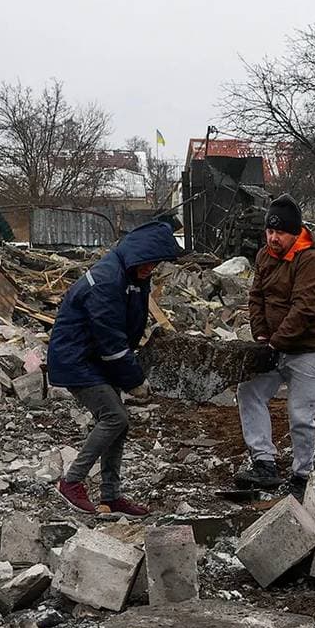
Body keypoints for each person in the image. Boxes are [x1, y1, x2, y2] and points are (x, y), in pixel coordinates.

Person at [45, 218, 184, 517]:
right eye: (150, 263)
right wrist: (135, 379)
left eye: (155, 264)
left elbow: (124, 328)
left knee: (117, 424)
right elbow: (110, 338)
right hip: (78, 359)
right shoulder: (108, 281)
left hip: (93, 359)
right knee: (114, 418)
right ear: (138, 256)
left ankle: (111, 495)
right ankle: (71, 482)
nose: (152, 269)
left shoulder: (132, 275)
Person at [235, 195, 315, 498]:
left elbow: (303, 310)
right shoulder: (265, 256)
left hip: (310, 348)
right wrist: (261, 337)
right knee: (249, 391)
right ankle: (264, 462)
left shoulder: (312, 260)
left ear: (295, 232)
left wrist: (275, 343)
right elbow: (256, 297)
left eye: (279, 233)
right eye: (269, 231)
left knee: (300, 414)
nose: (273, 238)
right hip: (276, 346)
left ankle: (301, 475)